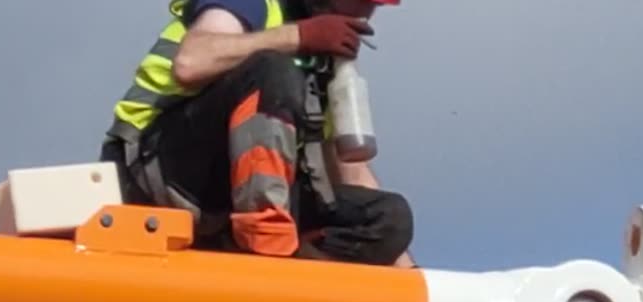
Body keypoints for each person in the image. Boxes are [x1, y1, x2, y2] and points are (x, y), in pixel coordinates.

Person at [100, 0, 416, 267]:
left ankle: (289, 271)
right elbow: (191, 62)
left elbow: (350, 174)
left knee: (387, 217)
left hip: (233, 203)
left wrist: (416, 277)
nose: (365, 12)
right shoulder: (254, 6)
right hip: (158, 172)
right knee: (272, 69)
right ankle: (267, 248)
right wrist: (298, 36)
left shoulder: (323, 58)